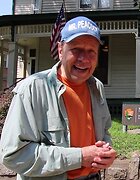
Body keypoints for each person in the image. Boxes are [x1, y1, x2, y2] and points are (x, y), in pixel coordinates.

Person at [0, 16, 117, 180]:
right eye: (76, 49)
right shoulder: (32, 89)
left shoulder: (96, 87)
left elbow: (104, 133)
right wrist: (80, 157)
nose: (84, 59)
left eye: (91, 51)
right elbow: (13, 155)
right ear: (61, 49)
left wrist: (105, 151)